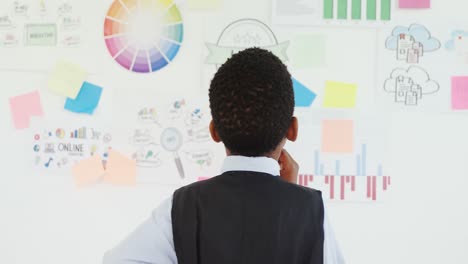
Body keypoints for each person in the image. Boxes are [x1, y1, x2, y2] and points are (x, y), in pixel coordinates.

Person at [104, 48, 345, 264]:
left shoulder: (183, 206)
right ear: (292, 130)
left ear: (214, 131)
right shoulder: (312, 210)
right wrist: (292, 196)